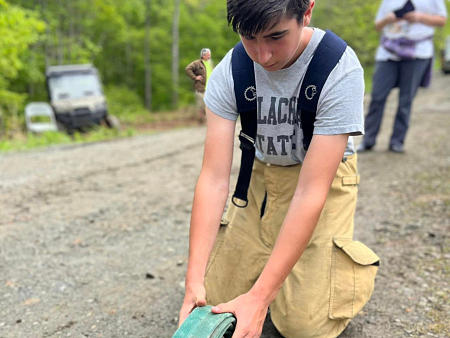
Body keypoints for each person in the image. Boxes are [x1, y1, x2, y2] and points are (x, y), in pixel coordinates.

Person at [178, 1, 379, 337]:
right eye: (249, 37)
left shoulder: (338, 69)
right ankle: (270, 274)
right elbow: (213, 179)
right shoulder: (231, 70)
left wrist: (259, 298)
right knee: (211, 302)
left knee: (303, 326)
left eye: (276, 37)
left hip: (320, 181)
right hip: (261, 177)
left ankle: (328, 269)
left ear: (307, 11)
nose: (263, 55)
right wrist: (193, 280)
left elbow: (310, 191)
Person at [357, 0, 447, 154]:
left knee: (406, 100)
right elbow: (378, 25)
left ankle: (397, 142)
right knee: (377, 97)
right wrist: (389, 19)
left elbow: (442, 20)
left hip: (418, 53)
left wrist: (419, 17)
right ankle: (368, 140)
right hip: (388, 52)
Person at [185, 48, 214, 122]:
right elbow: (187, 69)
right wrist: (195, 77)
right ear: (203, 55)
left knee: (210, 105)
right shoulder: (197, 63)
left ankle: (208, 120)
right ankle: (200, 121)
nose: (209, 56)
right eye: (208, 55)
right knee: (201, 106)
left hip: (210, 88)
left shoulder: (210, 63)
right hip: (201, 88)